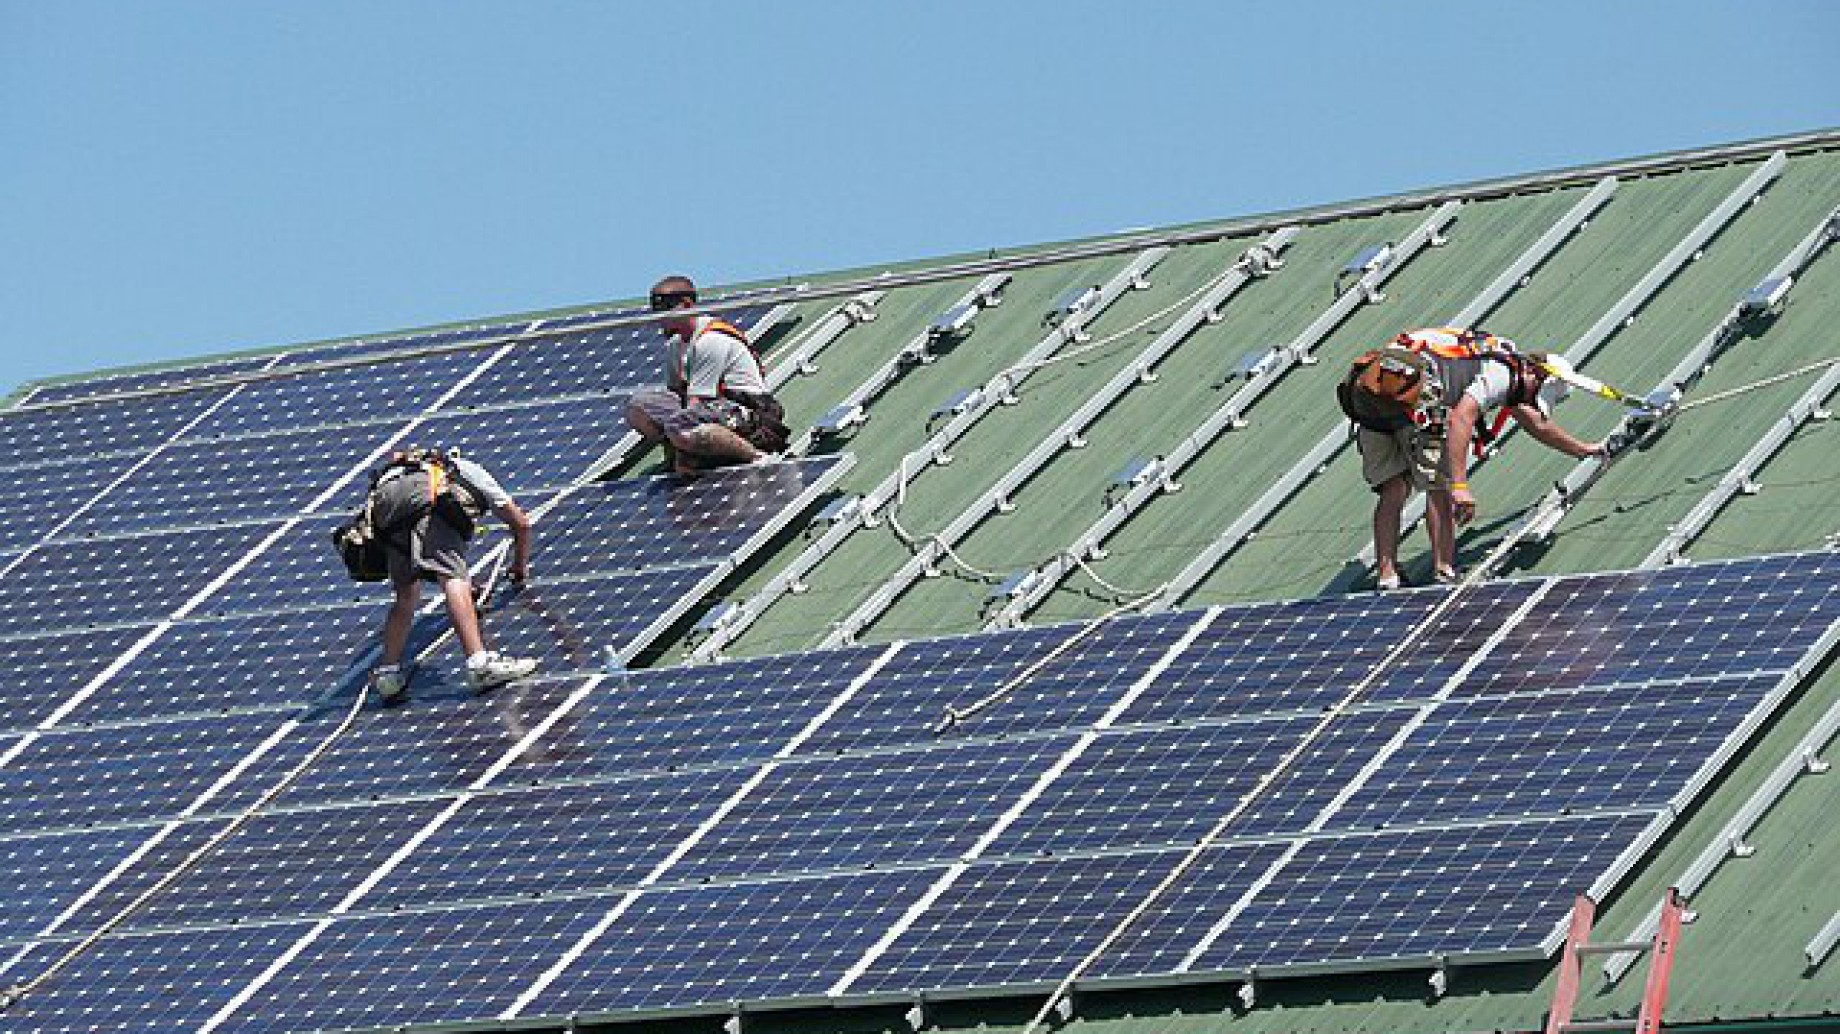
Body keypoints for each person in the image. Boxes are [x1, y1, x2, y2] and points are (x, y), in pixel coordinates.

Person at [1338, 327, 1604, 589]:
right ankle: (1444, 569)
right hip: (1414, 397)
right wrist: (1460, 487)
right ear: (1536, 372)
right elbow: (1461, 417)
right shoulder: (1502, 372)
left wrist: (1581, 449)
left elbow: (1535, 423)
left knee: (1393, 488)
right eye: (1535, 393)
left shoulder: (1497, 355)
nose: (1530, 398)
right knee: (1439, 485)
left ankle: (1387, 575)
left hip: (1369, 393)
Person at [368, 448, 539, 702]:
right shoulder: (472, 472)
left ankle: (388, 675)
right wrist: (519, 567)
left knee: (406, 592)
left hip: (384, 503)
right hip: (427, 497)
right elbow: (521, 524)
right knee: (453, 576)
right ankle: (479, 663)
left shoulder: (407, 467)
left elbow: (423, 552)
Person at [625, 275, 790, 474]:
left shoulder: (711, 340)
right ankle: (687, 450)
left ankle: (756, 456)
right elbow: (677, 394)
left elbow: (698, 402)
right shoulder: (675, 345)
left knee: (681, 426)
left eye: (665, 311)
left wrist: (682, 453)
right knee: (638, 407)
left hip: (749, 413)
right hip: (706, 410)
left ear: (686, 305)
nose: (660, 319)